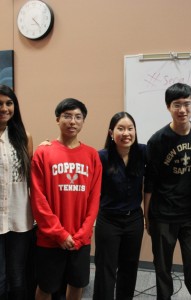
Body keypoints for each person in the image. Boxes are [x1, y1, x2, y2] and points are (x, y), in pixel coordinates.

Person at [30, 98, 102, 300]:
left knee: (76, 284)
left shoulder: (91, 155)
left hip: (80, 238)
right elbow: (38, 197)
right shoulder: (43, 152)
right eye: (67, 116)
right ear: (57, 119)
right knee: (46, 287)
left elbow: (94, 199)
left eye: (78, 117)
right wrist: (58, 233)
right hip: (50, 239)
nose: (72, 121)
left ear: (83, 121)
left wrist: (82, 234)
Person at [144, 83, 191, 300]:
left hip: (189, 214)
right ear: (168, 107)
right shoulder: (158, 140)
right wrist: (147, 215)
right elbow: (150, 182)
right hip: (163, 214)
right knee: (162, 267)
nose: (182, 109)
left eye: (187, 104)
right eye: (177, 104)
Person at [93, 112, 146, 300]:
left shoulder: (142, 152)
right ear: (111, 132)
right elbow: (75, 159)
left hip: (134, 220)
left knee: (129, 267)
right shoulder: (101, 157)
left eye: (130, 129)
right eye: (120, 129)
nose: (126, 133)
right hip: (109, 220)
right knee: (105, 270)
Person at [0, 85, 34, 300]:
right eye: (0, 104)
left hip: (19, 217)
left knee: (17, 276)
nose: (4, 108)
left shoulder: (24, 137)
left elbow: (31, 178)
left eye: (9, 103)